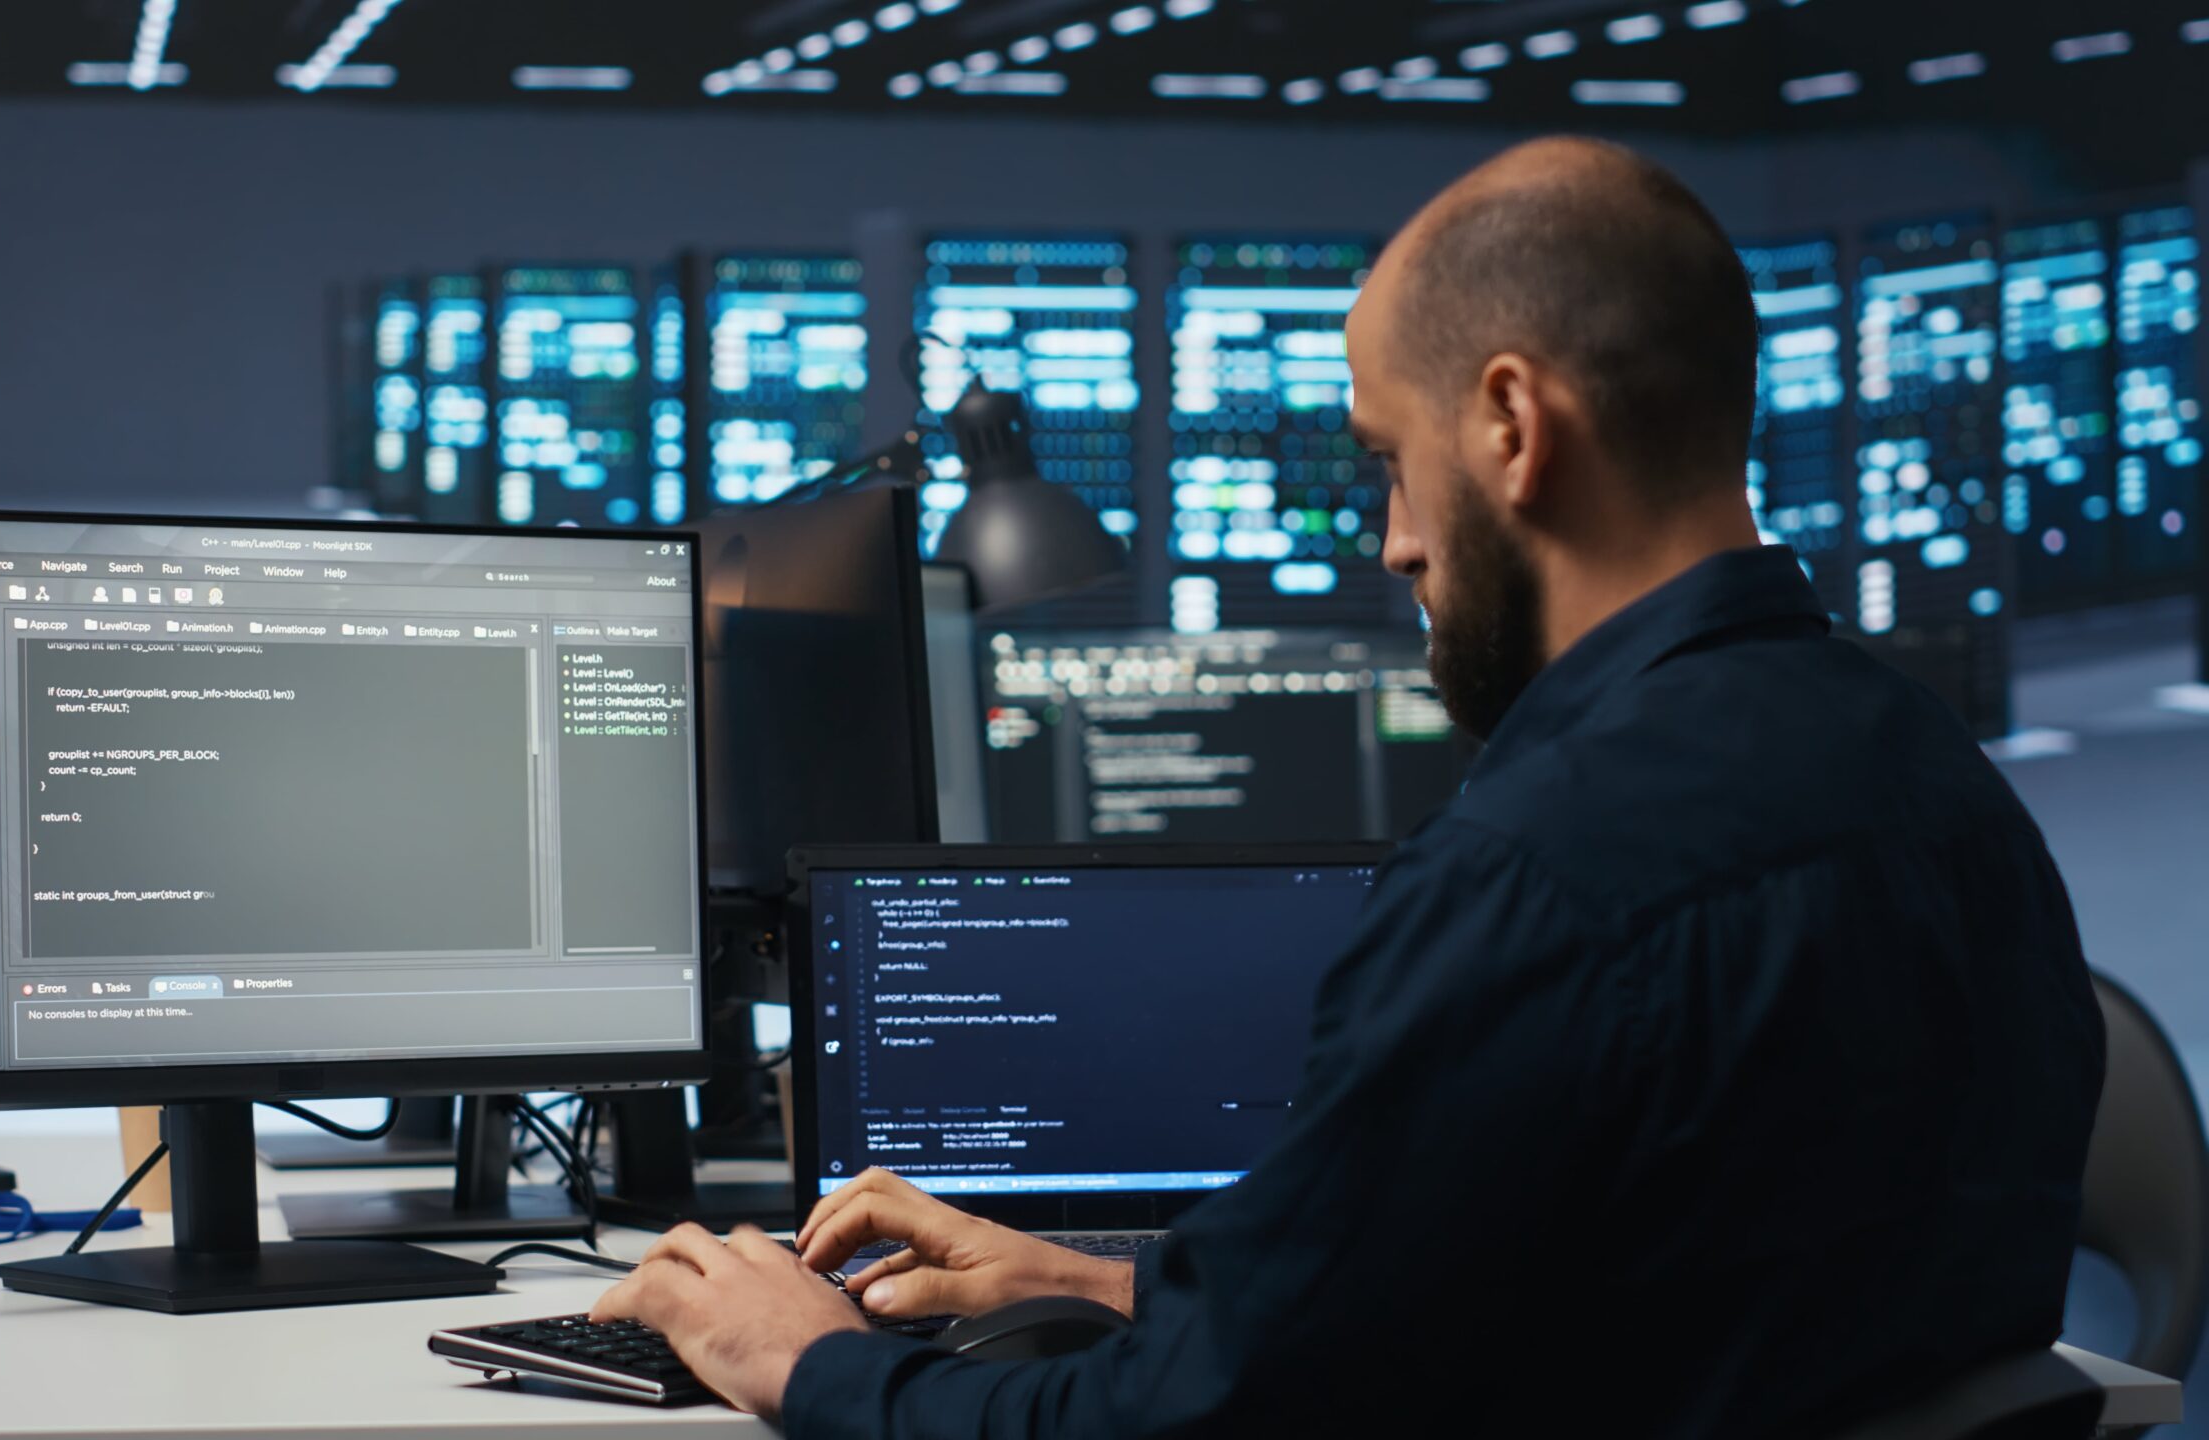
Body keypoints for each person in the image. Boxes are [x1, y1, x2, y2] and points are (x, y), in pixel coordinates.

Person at [592, 136, 2104, 1437]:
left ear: (1512, 428)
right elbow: (1624, 1303)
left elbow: (1196, 1427)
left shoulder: (1531, 876)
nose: (1393, 541)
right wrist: (1100, 1281)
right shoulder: (1951, 798)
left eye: (1390, 458)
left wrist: (821, 1366)